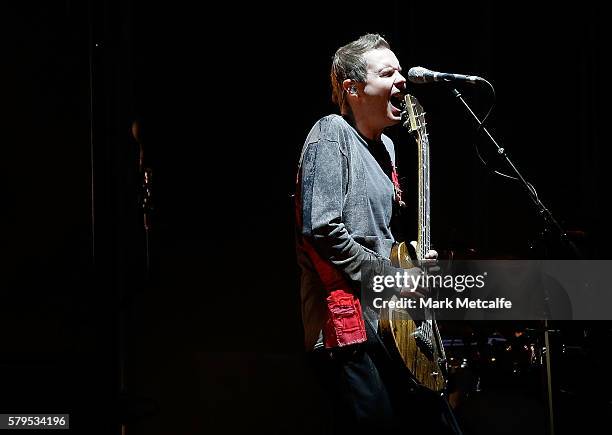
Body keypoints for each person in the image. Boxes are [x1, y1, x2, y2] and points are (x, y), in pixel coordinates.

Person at [295, 33, 463, 434]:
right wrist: (391, 277)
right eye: (387, 72)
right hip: (349, 329)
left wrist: (410, 261)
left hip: (391, 325)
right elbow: (322, 229)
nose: (402, 79)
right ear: (352, 88)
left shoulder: (385, 148)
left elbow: (381, 241)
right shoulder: (331, 131)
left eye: (400, 70)